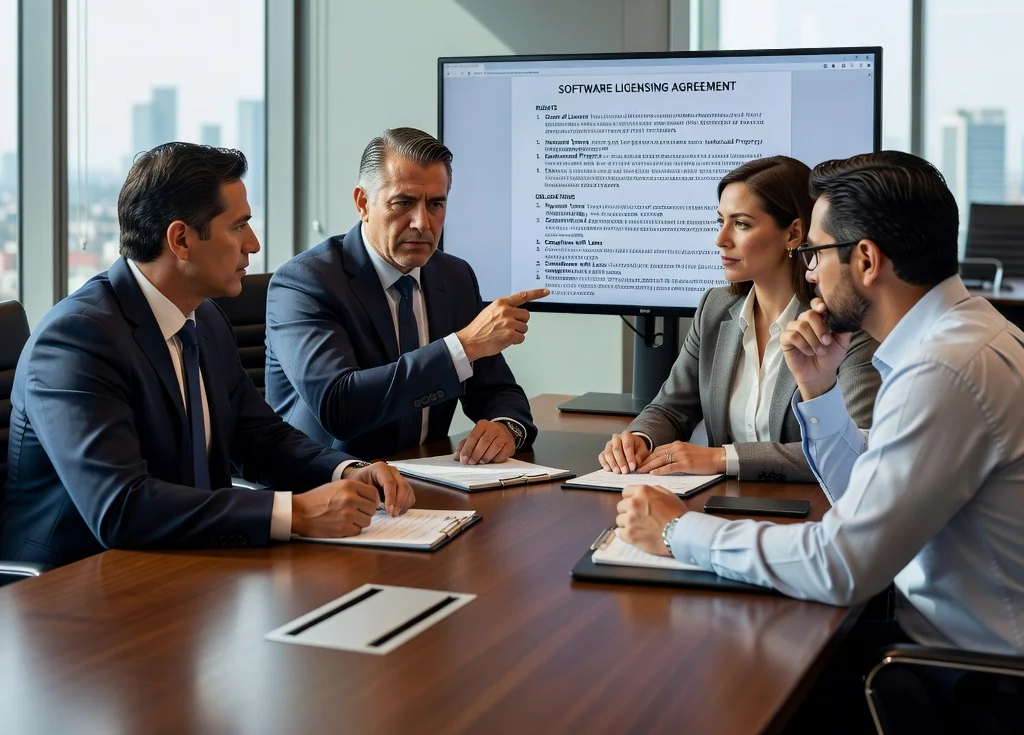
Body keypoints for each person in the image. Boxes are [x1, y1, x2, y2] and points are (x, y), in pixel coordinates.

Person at [615, 152, 1024, 660]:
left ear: (867, 261)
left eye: (816, 254)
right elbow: (866, 493)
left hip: (969, 678)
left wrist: (678, 530)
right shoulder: (961, 337)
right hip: (943, 646)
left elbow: (839, 565)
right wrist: (819, 390)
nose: (809, 274)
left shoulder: (944, 370)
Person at [0, 143, 414, 568]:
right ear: (180, 239)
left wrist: (345, 471)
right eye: (239, 227)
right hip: (72, 590)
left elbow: (261, 439)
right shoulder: (77, 340)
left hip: (188, 562)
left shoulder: (206, 319)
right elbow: (121, 506)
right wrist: (299, 514)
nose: (253, 244)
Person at [265, 127, 541, 463]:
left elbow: (495, 388)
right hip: (329, 488)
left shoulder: (454, 276)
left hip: (426, 478)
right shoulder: (305, 281)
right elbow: (339, 407)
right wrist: (463, 345)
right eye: (404, 203)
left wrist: (505, 427)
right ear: (363, 203)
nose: (422, 223)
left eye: (436, 204)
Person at [599, 156, 879, 482]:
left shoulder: (844, 323)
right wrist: (638, 439)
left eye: (741, 224)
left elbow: (855, 447)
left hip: (811, 513)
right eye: (721, 221)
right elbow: (670, 408)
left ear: (793, 234)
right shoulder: (715, 307)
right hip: (719, 507)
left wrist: (722, 457)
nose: (721, 239)